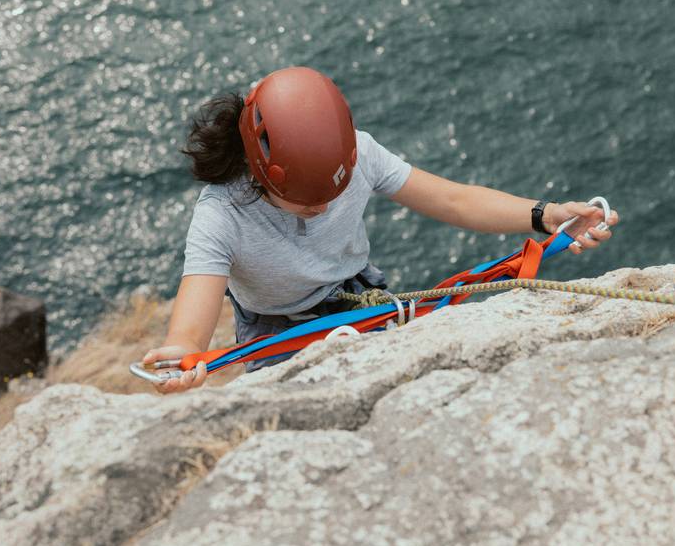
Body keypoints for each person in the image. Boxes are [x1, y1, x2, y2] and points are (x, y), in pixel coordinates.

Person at [142, 66, 619, 393]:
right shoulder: (221, 213)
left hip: (359, 297)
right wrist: (183, 357)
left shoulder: (360, 153)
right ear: (258, 172)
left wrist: (546, 215)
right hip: (276, 330)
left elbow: (454, 198)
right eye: (308, 201)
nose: (325, 206)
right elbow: (193, 317)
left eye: (335, 190)